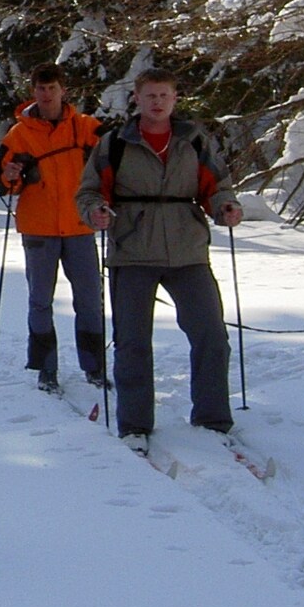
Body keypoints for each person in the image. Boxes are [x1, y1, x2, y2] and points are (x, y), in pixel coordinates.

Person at [77, 67, 242, 443]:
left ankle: (213, 419)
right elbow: (88, 192)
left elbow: (217, 186)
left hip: (188, 249)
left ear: (175, 98)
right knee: (132, 342)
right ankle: (134, 425)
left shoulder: (194, 140)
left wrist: (226, 207)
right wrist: (95, 212)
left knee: (212, 336)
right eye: (150, 95)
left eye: (164, 95)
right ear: (137, 98)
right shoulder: (115, 142)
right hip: (132, 249)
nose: (157, 102)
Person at [0, 63, 103, 394]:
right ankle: (46, 368)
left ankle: (94, 368)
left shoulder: (85, 128)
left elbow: (114, 156)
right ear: (33, 91)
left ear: (63, 90)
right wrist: (10, 177)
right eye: (41, 88)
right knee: (40, 301)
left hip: (80, 226)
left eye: (52, 88)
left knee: (90, 300)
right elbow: (1, 183)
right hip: (38, 229)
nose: (47, 94)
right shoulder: (18, 135)